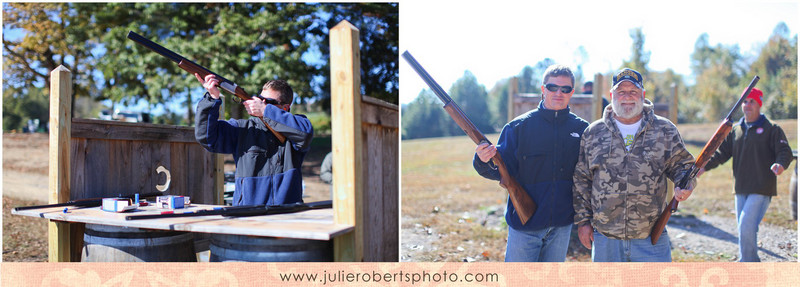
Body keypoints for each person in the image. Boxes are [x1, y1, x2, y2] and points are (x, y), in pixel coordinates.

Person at [572, 68, 696, 262]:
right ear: (612, 95)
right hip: (606, 238)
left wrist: (686, 185)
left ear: (643, 95)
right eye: (621, 92)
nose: (627, 97)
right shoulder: (593, 132)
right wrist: (583, 222)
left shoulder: (664, 129)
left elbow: (683, 166)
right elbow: (582, 180)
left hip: (651, 236)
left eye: (633, 92)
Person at [473, 64, 589, 262]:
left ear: (572, 92)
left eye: (565, 89)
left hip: (561, 226)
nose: (558, 93)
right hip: (524, 224)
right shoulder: (517, 127)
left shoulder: (582, 129)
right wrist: (483, 160)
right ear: (543, 90)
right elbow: (499, 170)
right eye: (552, 87)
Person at [698, 88, 793, 262]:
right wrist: (705, 167)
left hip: (762, 187)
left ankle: (748, 264)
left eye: (752, 101)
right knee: (744, 228)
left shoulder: (772, 129)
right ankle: (747, 260)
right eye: (745, 101)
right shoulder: (736, 130)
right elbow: (722, 154)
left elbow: (784, 151)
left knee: (746, 225)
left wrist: (780, 165)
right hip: (740, 187)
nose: (748, 105)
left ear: (759, 105)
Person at [194, 73, 314, 206]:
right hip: (247, 215)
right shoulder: (243, 128)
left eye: (269, 102)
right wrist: (211, 98)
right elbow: (205, 137)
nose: (261, 103)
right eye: (261, 98)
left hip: (286, 216)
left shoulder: (296, 127)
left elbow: (305, 133)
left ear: (285, 108)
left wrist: (265, 111)